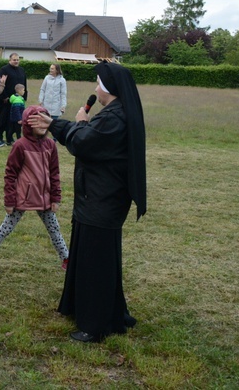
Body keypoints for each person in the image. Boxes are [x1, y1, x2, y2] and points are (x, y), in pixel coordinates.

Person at [27, 61, 147, 343]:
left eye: (98, 83)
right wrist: (55, 124)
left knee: (97, 262)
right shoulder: (115, 114)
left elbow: (83, 142)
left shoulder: (113, 119)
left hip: (102, 199)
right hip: (97, 198)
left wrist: (77, 122)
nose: (95, 88)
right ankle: (104, 312)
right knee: (95, 257)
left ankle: (95, 325)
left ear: (108, 88)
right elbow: (83, 136)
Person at [0, 105, 69, 276]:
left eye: (44, 121)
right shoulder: (20, 145)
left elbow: (54, 172)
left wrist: (55, 197)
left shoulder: (50, 145)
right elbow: (10, 174)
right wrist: (10, 200)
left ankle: (66, 259)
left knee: (54, 228)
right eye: (37, 121)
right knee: (6, 228)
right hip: (22, 198)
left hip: (44, 198)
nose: (42, 125)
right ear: (27, 123)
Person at [0, 53, 26, 145]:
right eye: (14, 60)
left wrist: (24, 97)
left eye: (17, 60)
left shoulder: (21, 70)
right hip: (6, 100)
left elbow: (25, 83)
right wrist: (4, 97)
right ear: (10, 60)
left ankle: (9, 138)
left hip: (18, 101)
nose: (16, 61)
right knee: (3, 119)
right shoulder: (4, 70)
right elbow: (0, 83)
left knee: (14, 121)